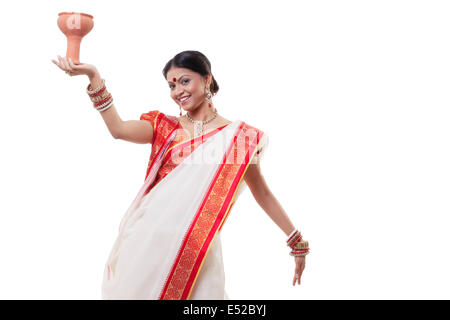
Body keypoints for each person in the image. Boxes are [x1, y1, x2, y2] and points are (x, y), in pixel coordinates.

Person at [51, 50, 309, 300]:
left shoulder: (238, 139)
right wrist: (93, 76)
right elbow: (118, 129)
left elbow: (261, 192)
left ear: (207, 78)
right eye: (172, 86)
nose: (178, 92)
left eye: (185, 81)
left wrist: (294, 239)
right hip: (147, 243)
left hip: (198, 251)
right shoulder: (165, 128)